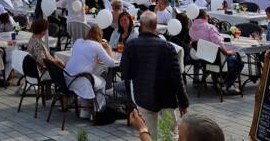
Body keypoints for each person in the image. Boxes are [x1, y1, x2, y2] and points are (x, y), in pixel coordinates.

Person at [121, 12, 188, 140]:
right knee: (170, 135)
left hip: (143, 96)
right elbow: (176, 77)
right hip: (166, 96)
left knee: (149, 134)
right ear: (156, 26)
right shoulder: (167, 47)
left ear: (140, 25)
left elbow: (125, 73)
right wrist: (183, 101)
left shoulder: (131, 45)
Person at [65, 25, 117, 111]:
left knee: (91, 77)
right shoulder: (97, 46)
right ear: (99, 36)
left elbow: (85, 56)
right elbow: (111, 63)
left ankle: (85, 110)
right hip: (79, 80)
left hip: (68, 78)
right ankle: (98, 110)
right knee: (102, 83)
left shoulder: (78, 41)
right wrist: (108, 47)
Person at [189, 9, 242, 92]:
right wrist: (226, 52)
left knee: (226, 57)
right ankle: (228, 83)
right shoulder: (210, 28)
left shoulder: (191, 28)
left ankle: (218, 79)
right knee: (238, 60)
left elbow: (195, 42)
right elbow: (218, 42)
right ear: (205, 17)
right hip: (214, 59)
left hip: (202, 58)